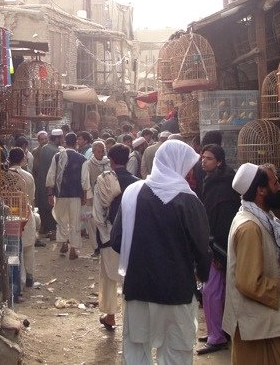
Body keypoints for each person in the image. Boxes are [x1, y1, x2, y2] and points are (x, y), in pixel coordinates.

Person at [111, 140, 213, 365]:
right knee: (176, 352)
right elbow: (202, 250)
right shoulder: (189, 202)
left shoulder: (133, 193)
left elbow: (117, 240)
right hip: (176, 291)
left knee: (137, 349)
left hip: (139, 287)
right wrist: (202, 275)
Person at [223, 162, 280, 364]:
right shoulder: (250, 227)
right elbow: (248, 282)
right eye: (275, 182)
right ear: (261, 190)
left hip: (268, 321)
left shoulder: (263, 219)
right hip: (259, 327)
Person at [197, 143, 239, 355]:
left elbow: (222, 220)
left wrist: (217, 251)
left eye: (209, 158)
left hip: (219, 245)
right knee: (214, 290)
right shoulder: (211, 180)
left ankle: (218, 336)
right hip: (214, 243)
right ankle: (217, 329)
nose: (204, 161)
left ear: (219, 161)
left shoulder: (223, 185)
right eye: (203, 157)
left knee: (212, 291)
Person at [93, 143, 139, 330]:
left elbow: (98, 214)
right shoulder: (137, 182)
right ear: (127, 160)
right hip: (132, 238)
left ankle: (110, 316)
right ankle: (132, 317)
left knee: (109, 277)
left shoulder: (103, 180)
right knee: (131, 278)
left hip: (110, 236)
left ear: (110, 161)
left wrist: (106, 237)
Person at [46, 132, 87, 260]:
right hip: (75, 195)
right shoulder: (82, 158)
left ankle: (63, 243)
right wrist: (85, 195)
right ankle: (73, 250)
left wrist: (49, 194)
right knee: (75, 222)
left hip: (60, 194)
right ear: (76, 143)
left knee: (61, 220)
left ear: (65, 142)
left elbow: (51, 175)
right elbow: (84, 180)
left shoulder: (57, 156)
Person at [8, 147, 38, 288]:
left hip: (9, 216)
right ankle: (30, 277)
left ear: (9, 159)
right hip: (25, 215)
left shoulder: (4, 175)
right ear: (22, 159)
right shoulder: (28, 176)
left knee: (13, 249)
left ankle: (16, 283)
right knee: (28, 247)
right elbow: (31, 198)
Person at [82, 140, 110, 256]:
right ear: (93, 151)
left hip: (107, 198)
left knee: (105, 222)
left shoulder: (108, 163)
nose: (101, 154)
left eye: (102, 151)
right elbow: (85, 182)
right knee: (92, 224)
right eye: (98, 151)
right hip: (92, 199)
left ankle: (105, 245)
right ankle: (96, 247)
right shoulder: (87, 164)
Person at [36, 129, 63, 236]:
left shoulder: (44, 148)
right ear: (57, 138)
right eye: (61, 138)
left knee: (44, 206)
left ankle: (45, 228)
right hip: (51, 184)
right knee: (51, 207)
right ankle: (52, 230)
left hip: (42, 181)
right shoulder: (56, 152)